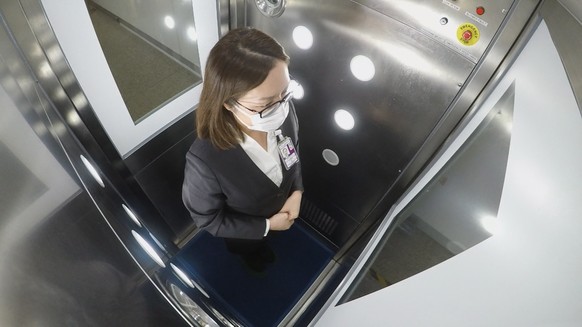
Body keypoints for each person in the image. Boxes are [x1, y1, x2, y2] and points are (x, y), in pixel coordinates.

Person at [181, 27, 303, 272]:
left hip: (283, 209)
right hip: (246, 233)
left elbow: (293, 153)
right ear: (228, 102)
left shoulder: (283, 109)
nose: (280, 108)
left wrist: (297, 191)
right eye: (265, 104)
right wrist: (267, 226)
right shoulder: (204, 160)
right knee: (253, 255)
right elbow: (208, 219)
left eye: (284, 92)